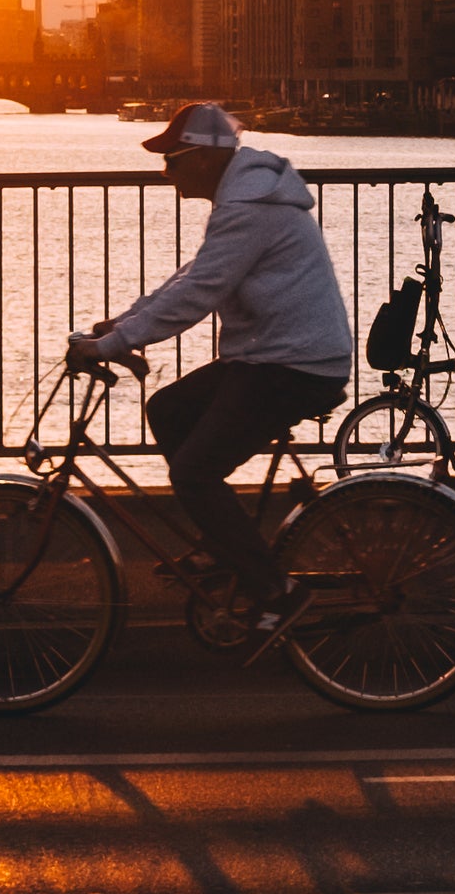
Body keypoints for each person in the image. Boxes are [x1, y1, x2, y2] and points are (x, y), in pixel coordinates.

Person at [74, 103, 353, 653]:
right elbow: (193, 277)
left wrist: (113, 344)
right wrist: (123, 323)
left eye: (173, 160)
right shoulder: (245, 200)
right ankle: (221, 545)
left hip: (292, 365)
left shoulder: (250, 208)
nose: (166, 172)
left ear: (203, 158)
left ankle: (275, 591)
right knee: (168, 409)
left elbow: (198, 295)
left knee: (194, 473)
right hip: (269, 355)